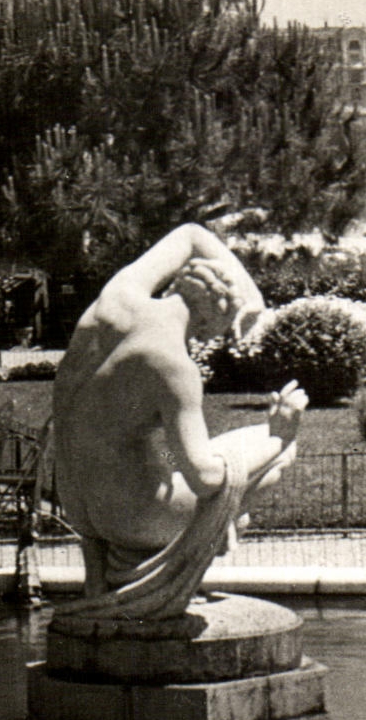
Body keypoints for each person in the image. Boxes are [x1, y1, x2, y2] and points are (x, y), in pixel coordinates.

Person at [49, 223, 305, 620]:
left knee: (156, 456)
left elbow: (189, 235)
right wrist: (280, 433)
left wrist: (249, 293)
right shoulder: (174, 365)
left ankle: (102, 578)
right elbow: (203, 477)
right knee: (277, 453)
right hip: (133, 518)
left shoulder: (116, 297)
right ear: (206, 325)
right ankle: (165, 575)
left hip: (80, 509)